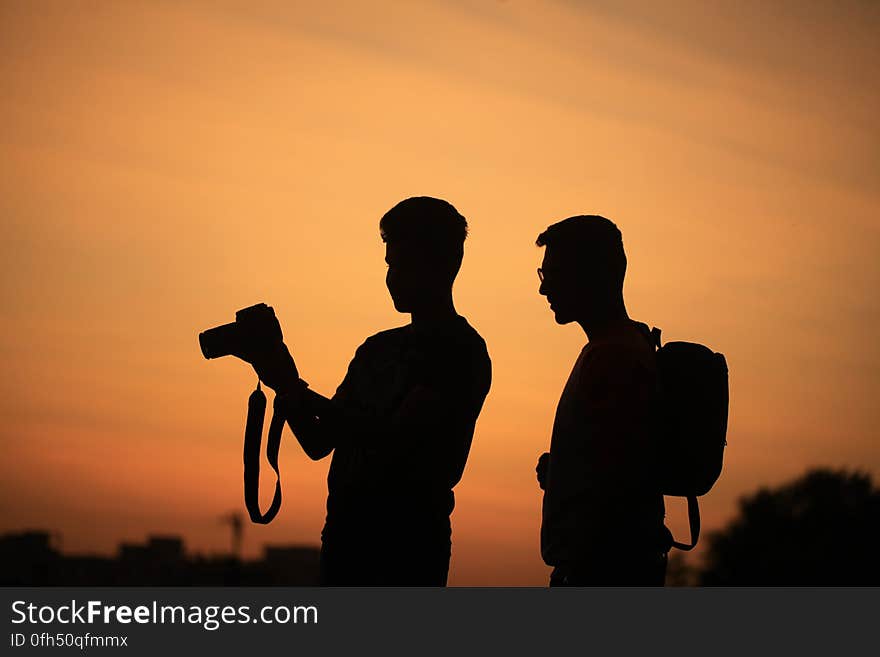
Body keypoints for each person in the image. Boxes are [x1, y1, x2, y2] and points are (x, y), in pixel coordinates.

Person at [241, 197, 491, 586]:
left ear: (440, 265)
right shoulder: (377, 349)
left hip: (406, 550)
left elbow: (395, 439)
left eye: (401, 264)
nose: (392, 277)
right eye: (390, 264)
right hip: (344, 543)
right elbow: (319, 441)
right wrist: (283, 381)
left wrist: (295, 388)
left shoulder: (459, 350)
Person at [534, 215, 668, 586]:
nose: (545, 291)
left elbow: (615, 479)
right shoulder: (625, 347)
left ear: (591, 275)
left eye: (555, 274)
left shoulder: (613, 357)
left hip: (603, 570)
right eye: (543, 276)